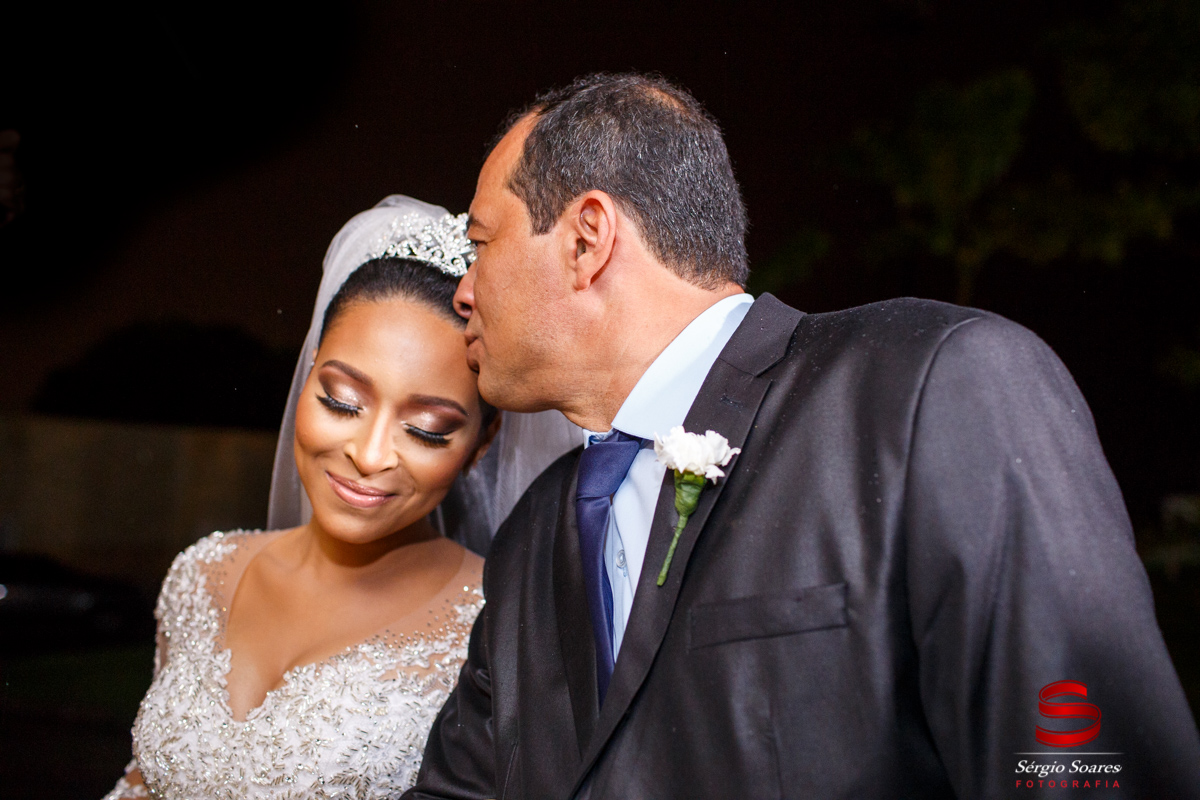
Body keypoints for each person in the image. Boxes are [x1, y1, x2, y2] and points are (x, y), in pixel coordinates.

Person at [408, 74, 1200, 799]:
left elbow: (1084, 767)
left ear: (587, 239)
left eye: (481, 245)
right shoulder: (531, 540)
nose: (464, 292)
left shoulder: (932, 389)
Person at [103, 196, 578, 800]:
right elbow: (144, 780)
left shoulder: (501, 627)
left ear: (481, 444)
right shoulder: (201, 575)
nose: (371, 454)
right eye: (341, 402)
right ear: (307, 375)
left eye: (427, 430)